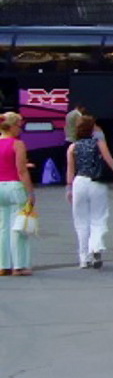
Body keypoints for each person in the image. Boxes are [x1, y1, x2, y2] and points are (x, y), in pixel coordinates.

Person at [66, 114, 113, 269]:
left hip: (79, 182)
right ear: (92, 129)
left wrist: (68, 189)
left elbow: (70, 171)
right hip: (97, 183)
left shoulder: (73, 147)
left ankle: (83, 259)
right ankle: (95, 248)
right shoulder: (99, 143)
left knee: (81, 222)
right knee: (98, 218)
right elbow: (109, 159)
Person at [0, 111, 35, 276]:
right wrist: (31, 193)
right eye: (19, 126)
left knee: (3, 227)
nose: (20, 129)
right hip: (14, 186)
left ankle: (3, 265)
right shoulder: (17, 144)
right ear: (12, 126)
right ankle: (19, 265)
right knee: (18, 227)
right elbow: (21, 171)